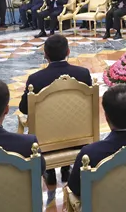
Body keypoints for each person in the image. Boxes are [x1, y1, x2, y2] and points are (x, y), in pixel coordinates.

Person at [18, 34, 93, 186]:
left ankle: (50, 171)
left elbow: (24, 109)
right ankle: (65, 169)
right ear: (68, 51)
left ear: (45, 54)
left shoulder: (36, 79)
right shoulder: (83, 74)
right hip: (78, 134)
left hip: (45, 139)